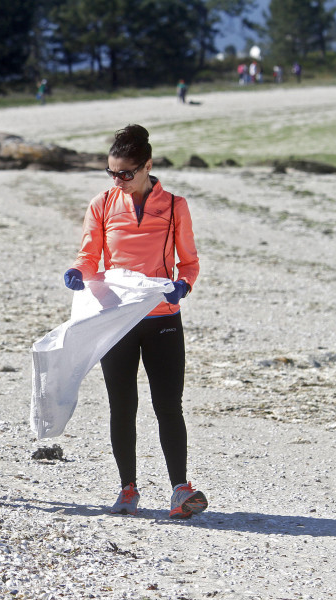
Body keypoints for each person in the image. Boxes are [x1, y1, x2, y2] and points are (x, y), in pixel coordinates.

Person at [63, 124, 207, 519]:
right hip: (118, 318)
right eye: (112, 173)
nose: (118, 181)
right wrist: (78, 271)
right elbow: (89, 255)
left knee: (168, 405)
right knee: (122, 406)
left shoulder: (175, 205)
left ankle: (180, 489)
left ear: (148, 166)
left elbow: (190, 262)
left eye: (126, 173)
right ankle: (128, 490)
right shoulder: (103, 204)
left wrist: (183, 286)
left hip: (162, 316)